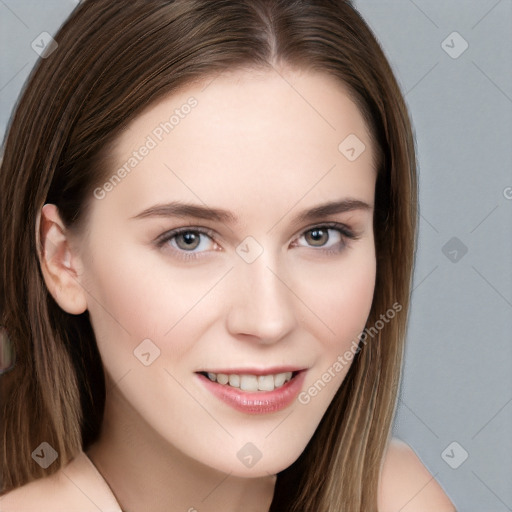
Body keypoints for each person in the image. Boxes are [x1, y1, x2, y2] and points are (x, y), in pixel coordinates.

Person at [0, 1, 456, 510]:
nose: (268, 321)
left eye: (321, 235)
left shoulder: (394, 495)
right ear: (63, 260)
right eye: (189, 239)